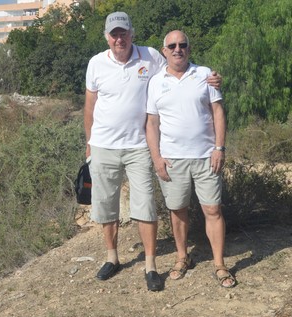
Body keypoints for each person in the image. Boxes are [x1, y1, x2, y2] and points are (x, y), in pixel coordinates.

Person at [84, 13, 222, 292]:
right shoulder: (96, 63)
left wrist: (212, 78)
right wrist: (88, 144)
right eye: (114, 34)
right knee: (106, 204)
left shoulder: (150, 57)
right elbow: (89, 106)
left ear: (132, 34)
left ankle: (150, 265)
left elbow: (180, 65)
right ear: (107, 37)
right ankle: (112, 258)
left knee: (145, 205)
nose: (119, 39)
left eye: (123, 33)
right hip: (103, 145)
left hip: (137, 146)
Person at [145, 30, 236, 288]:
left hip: (206, 156)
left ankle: (219, 264)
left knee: (213, 209)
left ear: (189, 48)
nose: (177, 49)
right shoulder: (155, 81)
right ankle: (182, 257)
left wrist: (219, 147)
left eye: (182, 45)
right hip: (172, 159)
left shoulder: (204, 74)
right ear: (164, 51)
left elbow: (218, 112)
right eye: (172, 45)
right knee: (178, 211)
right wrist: (157, 158)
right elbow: (152, 123)